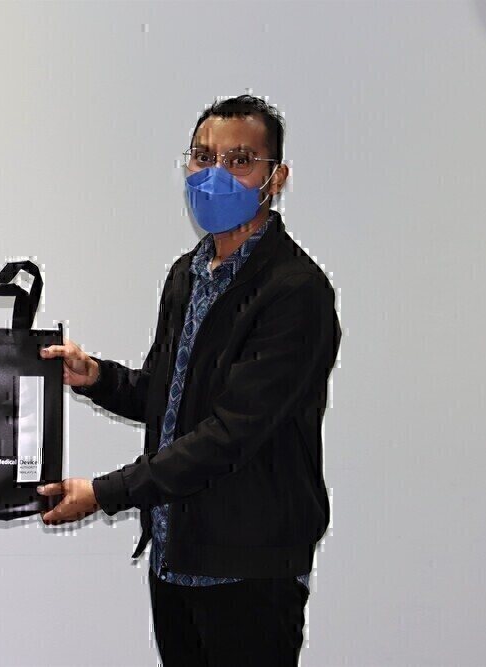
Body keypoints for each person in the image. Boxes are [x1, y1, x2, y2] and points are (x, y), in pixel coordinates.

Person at [38, 95, 341, 666]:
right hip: (176, 556)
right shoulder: (189, 274)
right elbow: (168, 398)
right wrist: (97, 377)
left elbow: (229, 434)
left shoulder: (295, 292)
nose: (215, 175)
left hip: (250, 569)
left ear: (276, 178)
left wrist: (104, 492)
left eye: (239, 160)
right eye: (203, 158)